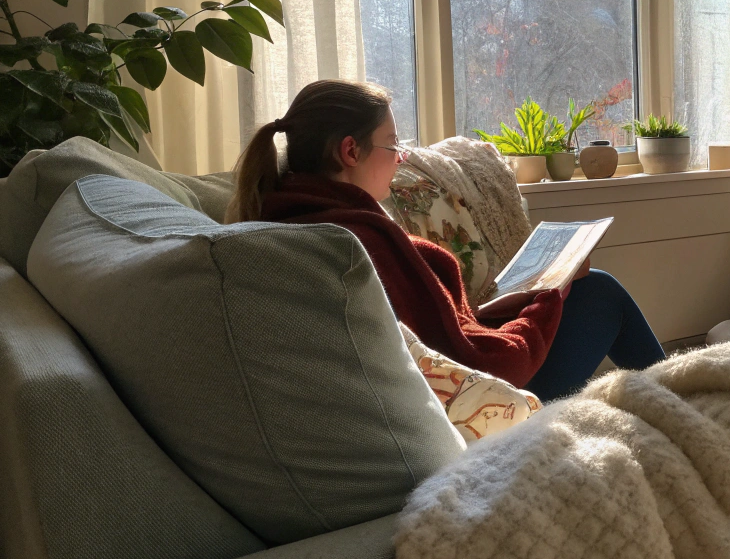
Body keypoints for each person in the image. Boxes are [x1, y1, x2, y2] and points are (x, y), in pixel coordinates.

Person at [228, 79, 665, 401]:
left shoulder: (291, 219)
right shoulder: (362, 241)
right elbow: (491, 365)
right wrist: (550, 295)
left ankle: (681, 396)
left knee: (591, 289)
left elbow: (434, 335)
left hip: (441, 384)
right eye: (392, 144)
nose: (400, 158)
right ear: (350, 151)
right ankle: (686, 401)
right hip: (486, 405)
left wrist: (503, 306)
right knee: (601, 293)